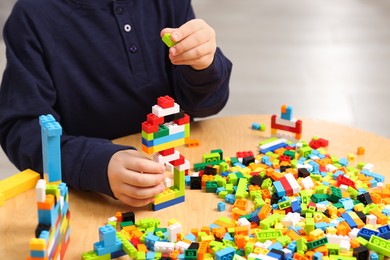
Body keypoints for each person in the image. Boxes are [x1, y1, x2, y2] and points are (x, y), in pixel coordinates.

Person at [0, 0, 232, 207]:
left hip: (176, 182)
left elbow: (204, 104)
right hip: (90, 200)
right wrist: (95, 165)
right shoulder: (33, 15)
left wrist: (203, 66)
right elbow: (22, 130)